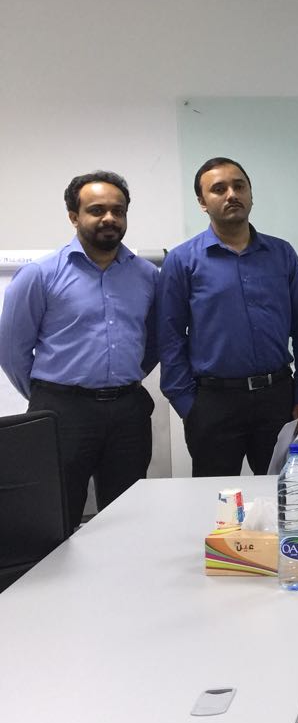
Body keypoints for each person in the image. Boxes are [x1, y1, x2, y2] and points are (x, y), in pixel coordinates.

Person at [0, 171, 159, 523]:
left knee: (128, 517)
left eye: (118, 211)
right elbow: (11, 351)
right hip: (63, 412)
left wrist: (127, 375)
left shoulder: (147, 275)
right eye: (97, 210)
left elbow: (154, 341)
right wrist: (49, 395)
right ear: (74, 216)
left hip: (127, 412)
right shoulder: (40, 275)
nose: (109, 218)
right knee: (57, 515)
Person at [156, 158, 298, 477]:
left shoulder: (282, 254)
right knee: (215, 500)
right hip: (213, 403)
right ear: (202, 202)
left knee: (284, 494)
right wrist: (189, 406)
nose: (231, 194)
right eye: (219, 189)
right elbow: (170, 338)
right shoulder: (182, 260)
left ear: (251, 194)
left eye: (239, 186)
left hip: (278, 399)